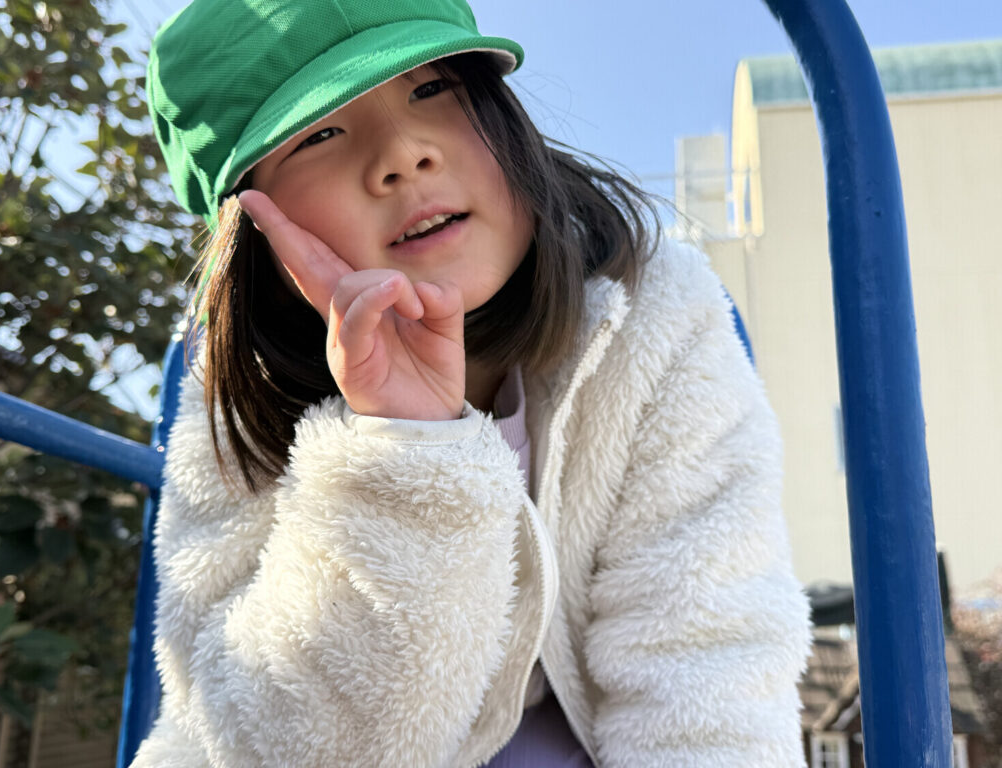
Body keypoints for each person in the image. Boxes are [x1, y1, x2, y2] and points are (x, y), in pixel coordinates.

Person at [133, 0, 812, 765]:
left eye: (433, 88)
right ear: (250, 230)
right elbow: (267, 740)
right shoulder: (237, 401)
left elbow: (708, 660)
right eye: (318, 134)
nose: (403, 154)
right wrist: (402, 450)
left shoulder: (652, 313)